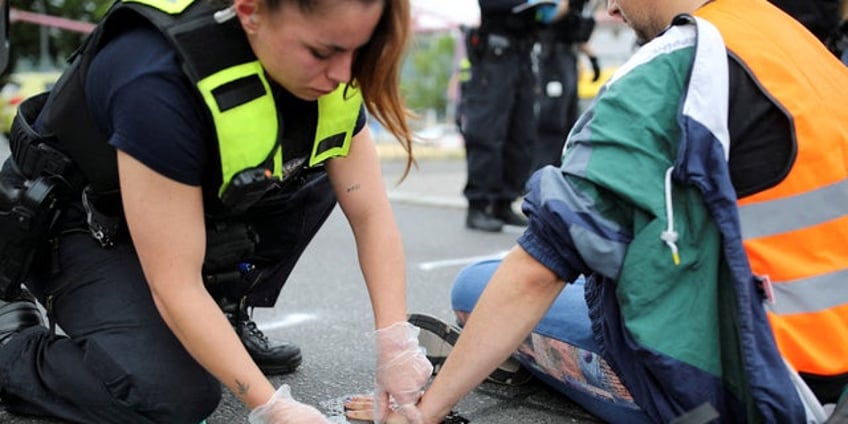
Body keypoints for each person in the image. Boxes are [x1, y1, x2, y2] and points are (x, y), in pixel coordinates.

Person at [349, 0, 848, 422]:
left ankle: (515, 360)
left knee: (477, 286)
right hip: (829, 366)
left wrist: (426, 411)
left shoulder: (675, 66)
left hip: (761, 393)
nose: (610, 7)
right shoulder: (797, 41)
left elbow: (537, 270)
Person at [0, 0, 433, 422]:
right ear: (250, 12)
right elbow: (174, 284)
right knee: (170, 395)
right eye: (323, 52)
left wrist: (397, 344)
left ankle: (222, 315)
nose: (342, 74)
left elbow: (370, 214)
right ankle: (11, 345)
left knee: (309, 172)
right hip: (73, 214)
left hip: (175, 211)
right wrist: (272, 407)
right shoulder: (157, 78)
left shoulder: (329, 66)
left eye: (357, 50)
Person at [458, 0, 559, 232]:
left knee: (521, 133)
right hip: (495, 55)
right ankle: (479, 204)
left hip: (522, 52)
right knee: (488, 130)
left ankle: (504, 201)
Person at [533, 0, 599, 170]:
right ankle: (543, 173)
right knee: (552, 121)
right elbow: (546, 20)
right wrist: (565, 4)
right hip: (552, 60)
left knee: (570, 120)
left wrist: (592, 58)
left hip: (568, 58)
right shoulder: (551, 4)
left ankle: (563, 172)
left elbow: (573, 33)